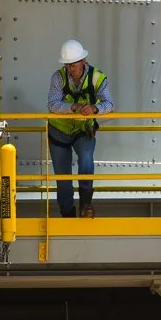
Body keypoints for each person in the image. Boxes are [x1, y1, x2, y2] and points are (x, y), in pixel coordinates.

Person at [47, 39, 113, 219]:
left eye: (74, 65)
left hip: (83, 130)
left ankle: (86, 206)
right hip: (58, 132)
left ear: (84, 61)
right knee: (63, 180)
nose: (71, 69)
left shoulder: (97, 78)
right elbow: (52, 104)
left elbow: (109, 103)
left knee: (86, 160)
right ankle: (67, 214)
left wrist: (95, 109)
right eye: (67, 65)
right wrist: (73, 107)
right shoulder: (58, 77)